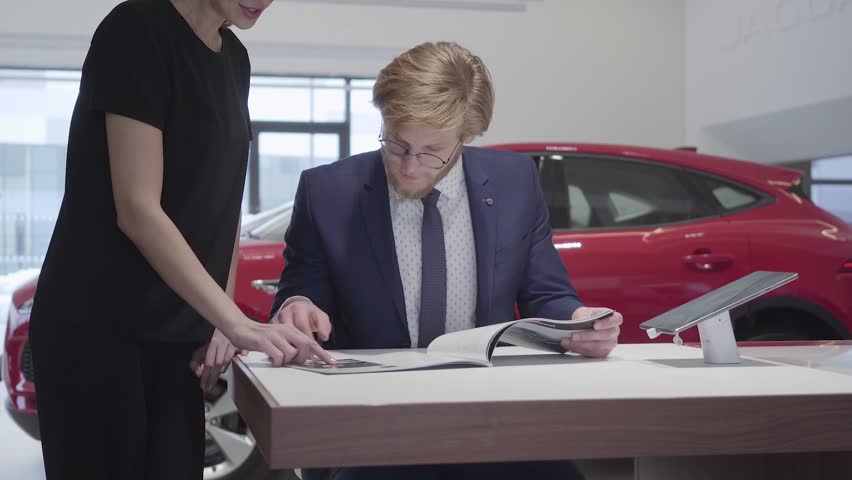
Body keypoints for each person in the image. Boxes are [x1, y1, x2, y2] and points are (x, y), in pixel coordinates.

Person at [269, 41, 623, 480]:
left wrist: (576, 322)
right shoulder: (328, 191)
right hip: (373, 423)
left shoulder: (514, 182)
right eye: (397, 145)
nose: (411, 166)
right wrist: (297, 306)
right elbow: (301, 288)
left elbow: (545, 293)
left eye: (432, 151)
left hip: (487, 416)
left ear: (467, 135)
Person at [28, 1, 333, 479]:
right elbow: (137, 208)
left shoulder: (234, 58)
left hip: (177, 336)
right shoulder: (136, 30)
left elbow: (224, 202)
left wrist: (218, 319)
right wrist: (236, 322)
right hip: (99, 328)